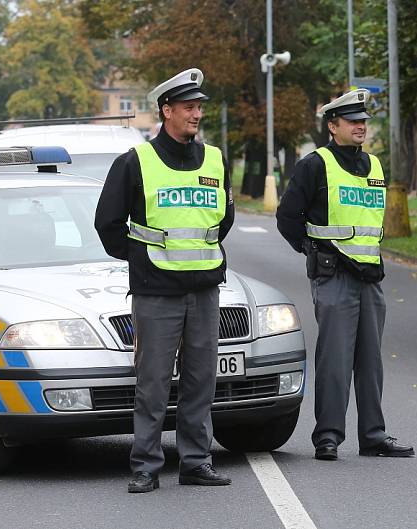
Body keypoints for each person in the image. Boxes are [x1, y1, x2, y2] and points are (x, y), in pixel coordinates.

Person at [94, 68, 234, 493]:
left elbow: (222, 219)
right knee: (153, 384)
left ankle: (195, 461)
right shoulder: (135, 162)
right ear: (166, 110)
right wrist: (145, 261)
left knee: (200, 381)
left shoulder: (214, 159)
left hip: (205, 289)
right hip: (156, 292)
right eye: (189, 107)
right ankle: (146, 465)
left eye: (200, 107)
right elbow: (109, 225)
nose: (196, 114)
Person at [276, 89, 414, 461]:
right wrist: (311, 250)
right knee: (335, 359)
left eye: (363, 122)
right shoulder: (315, 165)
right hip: (333, 275)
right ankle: (328, 437)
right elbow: (288, 218)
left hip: (370, 275)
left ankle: (373, 435)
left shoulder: (375, 166)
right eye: (352, 122)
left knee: (370, 362)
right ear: (332, 125)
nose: (360, 127)